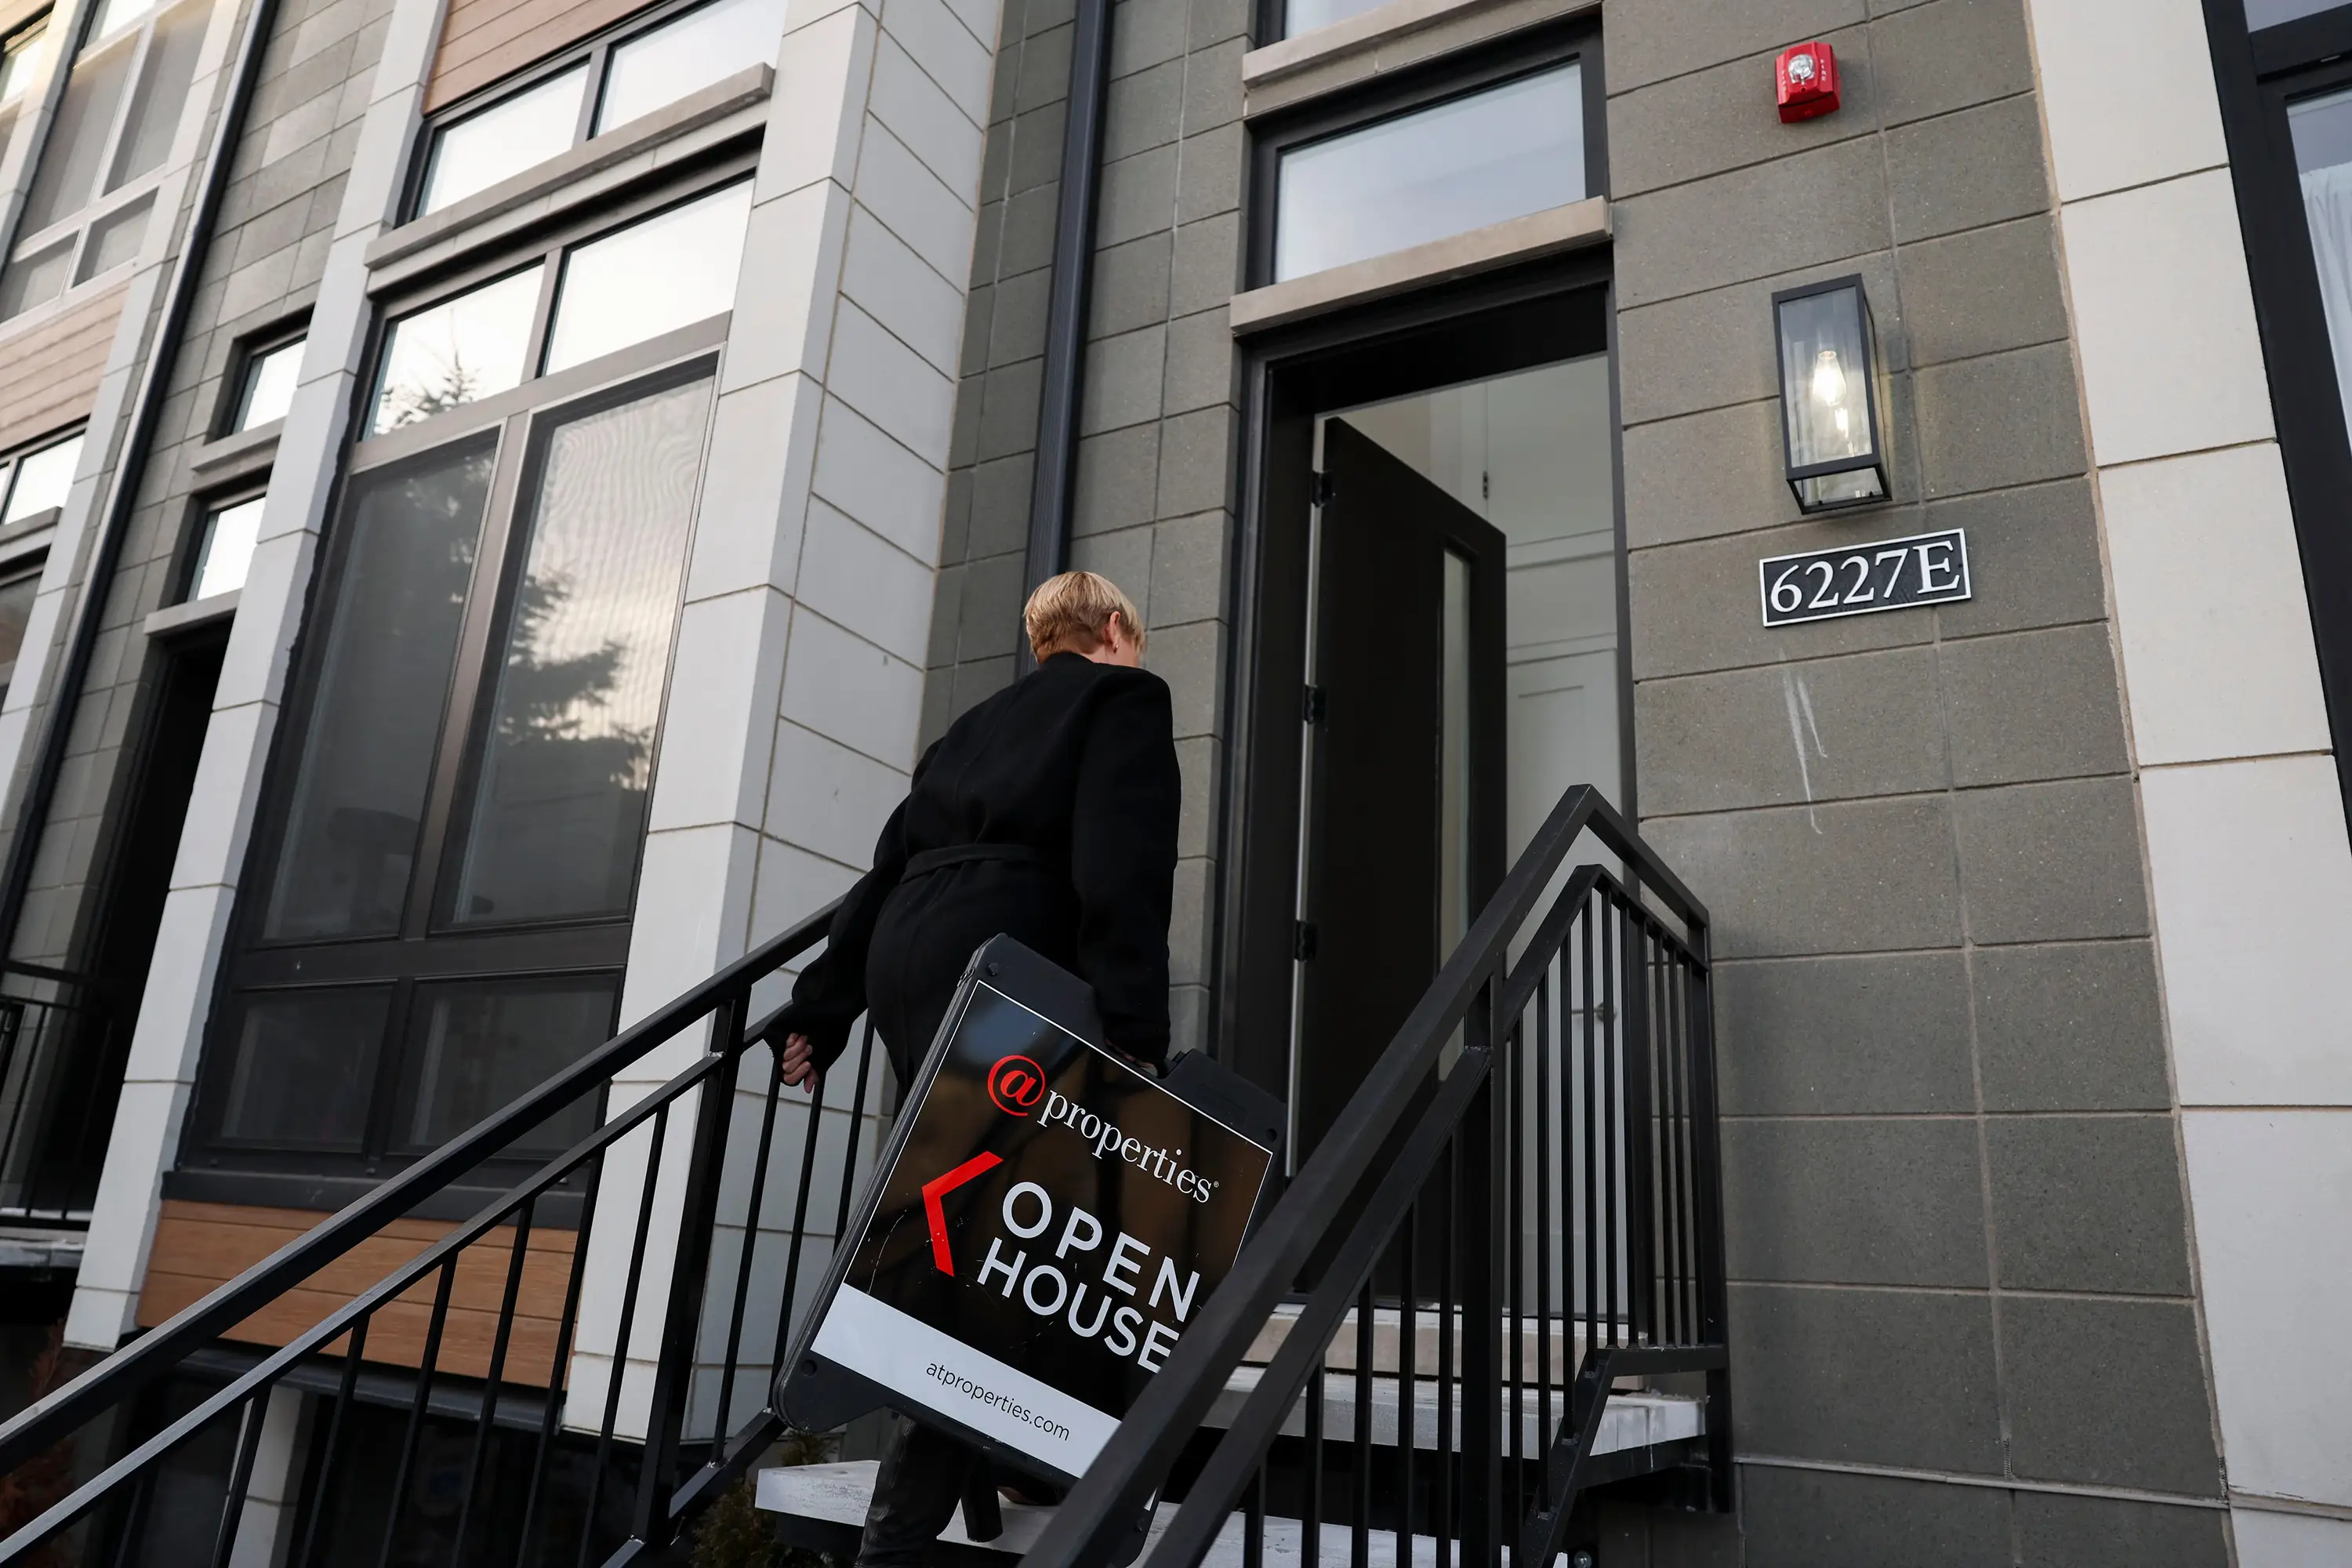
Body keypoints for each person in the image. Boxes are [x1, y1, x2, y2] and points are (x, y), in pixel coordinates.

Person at [766, 570, 1180, 1567]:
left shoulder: (970, 728)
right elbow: (1122, 853)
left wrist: (822, 1012)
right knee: (1010, 1231)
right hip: (1013, 959)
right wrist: (1131, 1019)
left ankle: (1019, 1458)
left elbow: (883, 870)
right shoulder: (1125, 695)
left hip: (917, 961)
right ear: (1115, 628)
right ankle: (908, 1529)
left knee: (976, 1210)